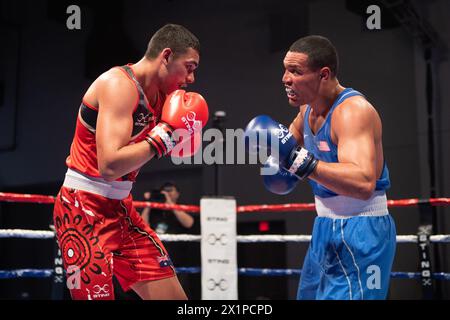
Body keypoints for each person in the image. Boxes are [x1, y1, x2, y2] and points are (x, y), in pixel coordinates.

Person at [52, 24, 209, 300]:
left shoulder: (163, 98)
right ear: (167, 56)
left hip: (121, 210)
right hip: (81, 209)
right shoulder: (118, 85)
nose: (192, 78)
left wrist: (182, 133)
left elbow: (179, 151)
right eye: (189, 66)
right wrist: (164, 138)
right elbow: (110, 166)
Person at [245, 35, 396, 300]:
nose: (285, 78)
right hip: (324, 226)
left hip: (362, 229)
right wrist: (276, 159)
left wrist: (298, 161)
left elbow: (362, 183)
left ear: (323, 75)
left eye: (296, 71)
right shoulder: (306, 110)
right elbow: (287, 153)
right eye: (285, 69)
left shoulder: (352, 112)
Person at [141, 182, 201, 299]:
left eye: (170, 190)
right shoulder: (154, 211)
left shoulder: (181, 208)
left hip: (178, 261)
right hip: (156, 261)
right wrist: (148, 204)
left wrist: (170, 203)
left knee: (179, 292)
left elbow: (189, 223)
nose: (167, 193)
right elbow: (142, 227)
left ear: (177, 194)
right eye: (164, 191)